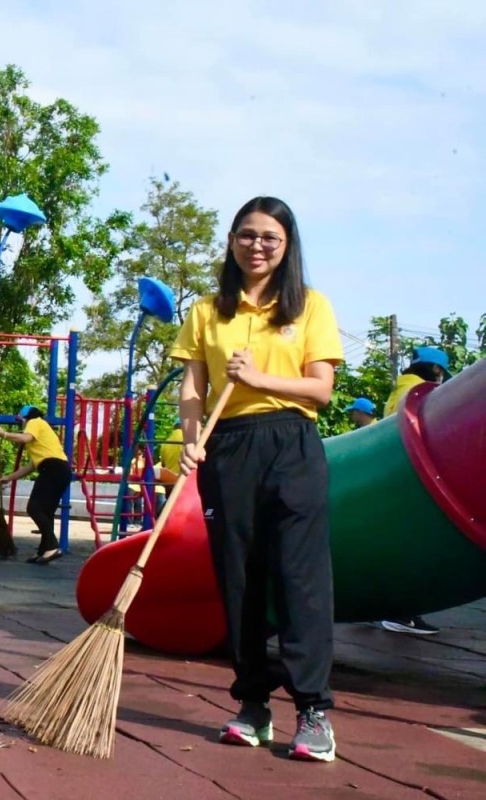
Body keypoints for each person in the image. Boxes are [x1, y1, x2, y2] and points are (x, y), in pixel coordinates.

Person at [171, 196, 343, 763]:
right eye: (247, 235)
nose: (257, 246)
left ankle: (313, 711)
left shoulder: (309, 307)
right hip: (228, 446)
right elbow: (193, 384)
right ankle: (252, 704)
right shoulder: (206, 311)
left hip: (290, 443)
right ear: (231, 241)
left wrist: (261, 375)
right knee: (238, 578)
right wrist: (192, 436)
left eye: (269, 237)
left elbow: (320, 389)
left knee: (300, 578)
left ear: (287, 244)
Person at [376, 347, 449, 636]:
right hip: (412, 482)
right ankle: (401, 613)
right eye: (442, 374)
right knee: (414, 552)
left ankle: (395, 611)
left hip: (393, 480)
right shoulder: (424, 395)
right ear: (435, 371)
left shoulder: (400, 392)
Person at [0, 405, 72, 564]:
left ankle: (53, 546)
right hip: (58, 469)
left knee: (34, 508)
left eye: (20, 421)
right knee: (46, 512)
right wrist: (9, 477)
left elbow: (24, 438)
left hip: (53, 469)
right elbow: (31, 466)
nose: (20, 425)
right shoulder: (40, 434)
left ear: (25, 418)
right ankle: (44, 550)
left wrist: (3, 434)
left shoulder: (35, 421)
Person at [383, 347, 450, 418]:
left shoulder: (400, 388)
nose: (441, 381)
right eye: (443, 374)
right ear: (436, 369)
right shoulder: (422, 393)